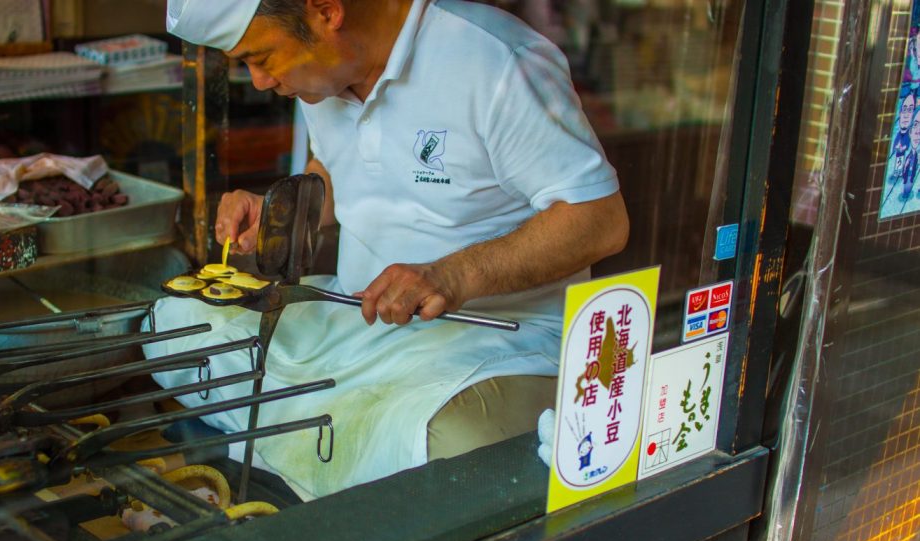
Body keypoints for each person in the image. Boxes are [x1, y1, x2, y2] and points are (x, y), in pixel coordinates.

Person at [154, 0, 629, 500]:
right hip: (355, 315)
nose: (259, 81)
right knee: (176, 325)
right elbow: (342, 171)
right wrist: (279, 213)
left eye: (262, 57)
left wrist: (451, 276)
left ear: (326, 11)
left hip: (493, 339)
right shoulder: (323, 78)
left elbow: (600, 220)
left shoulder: (493, 61)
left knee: (447, 442)